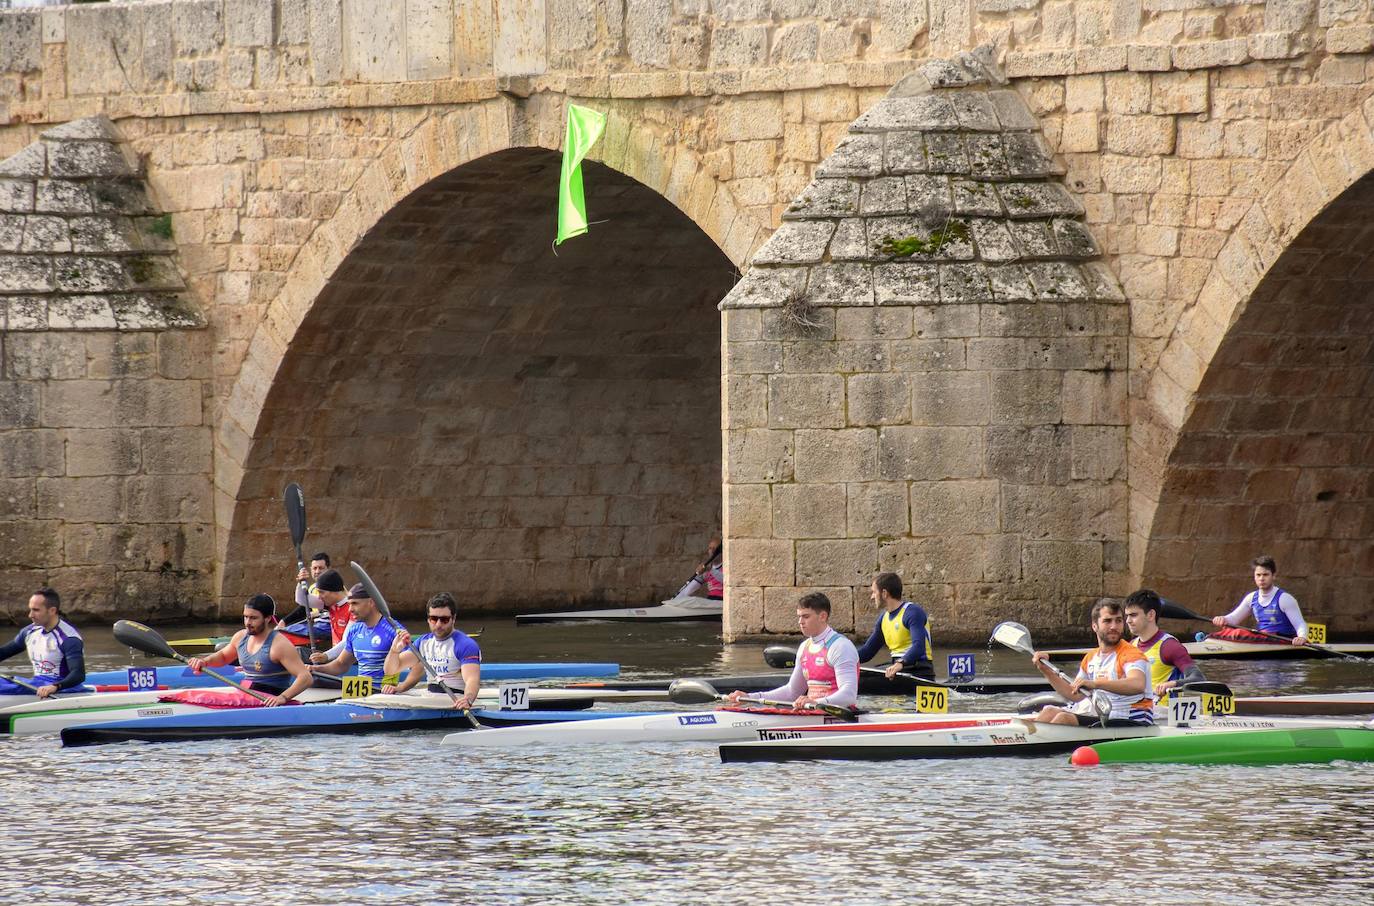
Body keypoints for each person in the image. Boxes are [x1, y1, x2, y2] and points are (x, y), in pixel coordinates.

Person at [1029, 600, 1154, 726]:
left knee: (1064, 718)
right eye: (1107, 621)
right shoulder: (1091, 658)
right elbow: (1074, 695)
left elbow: (1137, 684)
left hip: (1133, 719)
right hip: (1106, 717)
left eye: (1118, 621)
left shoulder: (1131, 654)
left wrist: (1095, 684)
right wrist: (1046, 670)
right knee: (1049, 711)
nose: (1114, 627)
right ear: (1094, 626)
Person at [726, 592, 859, 709]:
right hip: (811, 713)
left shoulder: (841, 647)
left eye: (806, 617)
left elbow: (849, 695)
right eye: (799, 616)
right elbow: (792, 693)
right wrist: (750, 697)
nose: (800, 622)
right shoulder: (804, 648)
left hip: (836, 715)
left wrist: (816, 702)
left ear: (822, 616)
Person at [186, 594, 313, 706]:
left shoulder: (279, 645)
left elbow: (305, 677)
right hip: (246, 694)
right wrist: (205, 662)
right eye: (245, 617)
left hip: (268, 700)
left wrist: (283, 698)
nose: (247, 622)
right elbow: (224, 657)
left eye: (253, 618)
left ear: (268, 618)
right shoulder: (240, 637)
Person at [381, 592, 481, 707]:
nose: (438, 624)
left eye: (444, 620)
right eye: (434, 619)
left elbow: (472, 680)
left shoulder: (465, 645)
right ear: (428, 619)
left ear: (453, 619)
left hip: (455, 699)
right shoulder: (423, 642)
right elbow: (391, 670)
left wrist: (468, 699)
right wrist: (394, 651)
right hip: (432, 696)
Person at [1122, 589, 1205, 706]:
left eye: (1133, 615)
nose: (1128, 621)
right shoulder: (1130, 646)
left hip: (1164, 716)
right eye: (1127, 616)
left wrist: (1172, 684)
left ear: (1151, 615)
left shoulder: (1169, 646)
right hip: (1135, 713)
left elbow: (1199, 678)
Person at [0, 588, 85, 698]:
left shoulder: (69, 639)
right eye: (30, 609)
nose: (30, 615)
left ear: (52, 611)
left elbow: (78, 674)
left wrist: (55, 686)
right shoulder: (29, 632)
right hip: (37, 684)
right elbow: (4, 652)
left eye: (36, 610)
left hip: (62, 688)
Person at [310, 583, 398, 682]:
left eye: (355, 603)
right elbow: (341, 664)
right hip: (362, 695)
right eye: (349, 604)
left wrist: (402, 686)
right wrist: (315, 669)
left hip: (385, 694)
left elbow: (415, 665)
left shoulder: (393, 630)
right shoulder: (355, 630)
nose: (350, 609)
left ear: (371, 602)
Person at [1211, 556, 1307, 645]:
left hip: (1283, 639)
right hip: (1262, 639)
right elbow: (1233, 619)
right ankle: (1207, 638)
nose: (1261, 578)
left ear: (1273, 576)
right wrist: (1222, 619)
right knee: (1228, 631)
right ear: (1254, 576)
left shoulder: (1284, 599)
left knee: (1237, 633)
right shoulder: (1251, 598)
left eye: (1265, 575)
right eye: (1258, 575)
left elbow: (1300, 624)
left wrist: (1302, 637)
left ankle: (1210, 638)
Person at [855, 572, 934, 679]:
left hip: (920, 672)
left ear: (884, 593)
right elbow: (868, 651)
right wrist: (842, 659)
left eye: (874, 592)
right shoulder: (883, 619)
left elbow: (918, 647)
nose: (872, 597)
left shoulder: (913, 612)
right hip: (896, 671)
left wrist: (900, 663)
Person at [296, 568, 350, 656]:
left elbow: (346, 643)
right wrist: (300, 582)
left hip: (350, 660)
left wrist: (325, 656)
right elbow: (302, 600)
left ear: (334, 591)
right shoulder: (331, 604)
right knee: (298, 652)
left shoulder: (353, 609)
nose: (319, 597)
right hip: (336, 657)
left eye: (321, 592)